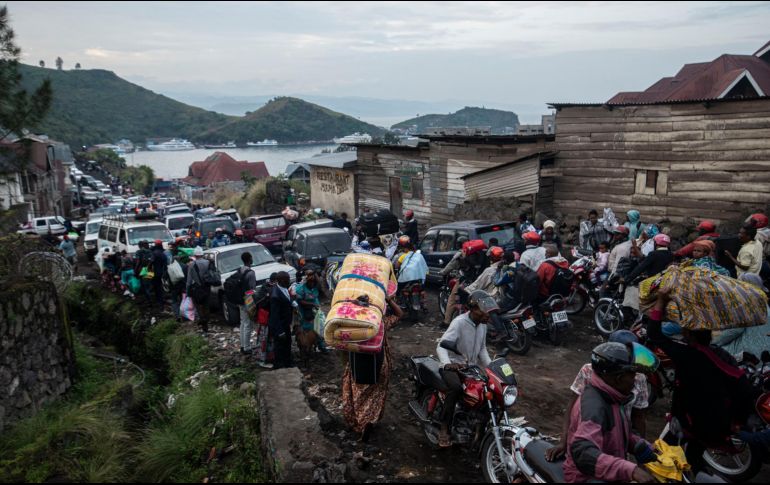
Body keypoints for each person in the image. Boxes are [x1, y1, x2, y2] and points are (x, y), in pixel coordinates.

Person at [647, 289, 756, 472]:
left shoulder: (686, 354)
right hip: (715, 422)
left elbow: (654, 334)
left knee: (662, 457)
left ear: (689, 335)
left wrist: (660, 301)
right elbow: (742, 386)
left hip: (689, 421)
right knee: (693, 459)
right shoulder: (722, 356)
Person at [546, 330, 652, 463]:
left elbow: (639, 417)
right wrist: (563, 442)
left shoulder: (637, 377)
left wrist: (641, 448)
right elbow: (572, 409)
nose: (633, 377)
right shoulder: (590, 379)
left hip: (618, 439)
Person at [562, 341, 658, 483]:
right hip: (586, 478)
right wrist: (632, 470)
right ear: (618, 379)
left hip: (606, 472)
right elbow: (582, 451)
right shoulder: (595, 406)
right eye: (632, 376)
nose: (634, 382)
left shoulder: (612, 396)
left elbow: (612, 432)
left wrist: (638, 445)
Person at [435, 290, 496, 448]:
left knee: (487, 391)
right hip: (452, 366)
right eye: (484, 311)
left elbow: (482, 350)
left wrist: (493, 368)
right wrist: (448, 363)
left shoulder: (482, 326)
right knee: (455, 389)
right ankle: (444, 428)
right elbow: (441, 346)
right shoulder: (459, 322)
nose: (488, 315)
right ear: (474, 309)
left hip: (471, 368)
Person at [342, 295, 404, 440]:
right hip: (380, 363)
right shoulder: (379, 322)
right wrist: (388, 300)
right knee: (376, 394)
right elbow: (400, 314)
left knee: (358, 394)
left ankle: (360, 423)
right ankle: (370, 420)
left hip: (358, 364)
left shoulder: (352, 324)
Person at [713, 273, 770, 358]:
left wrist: (712, 342)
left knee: (718, 353)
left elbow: (734, 331)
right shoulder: (764, 302)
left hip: (751, 353)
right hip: (765, 351)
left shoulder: (746, 304)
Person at [294, 268, 328, 353]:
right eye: (310, 282)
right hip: (304, 310)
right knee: (307, 328)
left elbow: (319, 283)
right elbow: (300, 301)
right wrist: (312, 304)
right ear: (306, 281)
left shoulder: (315, 285)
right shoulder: (300, 288)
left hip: (315, 308)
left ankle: (321, 345)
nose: (312, 284)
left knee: (319, 326)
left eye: (313, 282)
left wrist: (314, 273)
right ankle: (305, 346)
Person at [268, 271, 297, 369]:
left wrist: (292, 301)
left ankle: (288, 362)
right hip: (279, 325)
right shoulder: (275, 296)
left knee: (287, 343)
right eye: (287, 280)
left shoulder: (282, 288)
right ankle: (280, 366)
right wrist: (280, 331)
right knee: (280, 346)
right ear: (281, 280)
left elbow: (286, 300)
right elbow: (274, 315)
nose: (289, 281)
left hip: (285, 323)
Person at [186, 246, 213, 334]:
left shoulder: (191, 265)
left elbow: (189, 280)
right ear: (202, 254)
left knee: (198, 307)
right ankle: (206, 320)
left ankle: (203, 323)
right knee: (206, 306)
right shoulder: (208, 262)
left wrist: (187, 291)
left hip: (196, 288)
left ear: (195, 255)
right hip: (207, 287)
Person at [252, 273, 277, 368]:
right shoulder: (270, 290)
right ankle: (262, 360)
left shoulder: (264, 287)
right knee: (265, 340)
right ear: (276, 281)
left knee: (266, 339)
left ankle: (268, 358)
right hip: (266, 319)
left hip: (263, 318)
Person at [236, 252, 258, 355]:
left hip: (239, 299)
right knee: (248, 324)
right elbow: (252, 289)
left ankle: (242, 345)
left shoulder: (239, 270)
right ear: (250, 259)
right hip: (247, 299)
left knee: (243, 323)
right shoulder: (251, 273)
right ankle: (247, 347)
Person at [151, 240, 168, 308]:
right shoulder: (164, 253)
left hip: (155, 273)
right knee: (161, 286)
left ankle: (159, 301)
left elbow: (151, 262)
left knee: (156, 287)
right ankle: (162, 300)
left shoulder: (154, 253)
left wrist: (148, 268)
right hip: (163, 272)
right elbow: (166, 263)